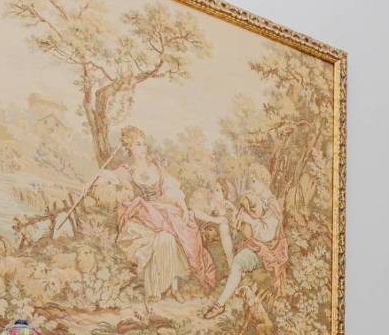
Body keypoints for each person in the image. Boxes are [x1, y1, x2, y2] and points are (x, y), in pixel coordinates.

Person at [104, 126, 215, 307]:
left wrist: (182, 207)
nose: (143, 148)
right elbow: (107, 178)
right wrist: (97, 180)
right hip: (143, 216)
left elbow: (170, 189)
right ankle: (157, 290)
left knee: (176, 236)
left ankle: (174, 288)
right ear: (129, 147)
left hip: (162, 210)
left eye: (144, 144)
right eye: (138, 144)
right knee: (164, 238)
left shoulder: (155, 166)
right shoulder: (126, 170)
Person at [207, 164, 287, 316]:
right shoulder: (257, 199)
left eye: (254, 181)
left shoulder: (272, 205)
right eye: (251, 181)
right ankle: (224, 296)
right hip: (256, 245)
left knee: (237, 261)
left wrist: (249, 220)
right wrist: (235, 211)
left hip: (269, 250)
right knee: (234, 252)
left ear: (263, 181)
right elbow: (246, 227)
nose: (251, 185)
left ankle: (219, 305)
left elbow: (267, 235)